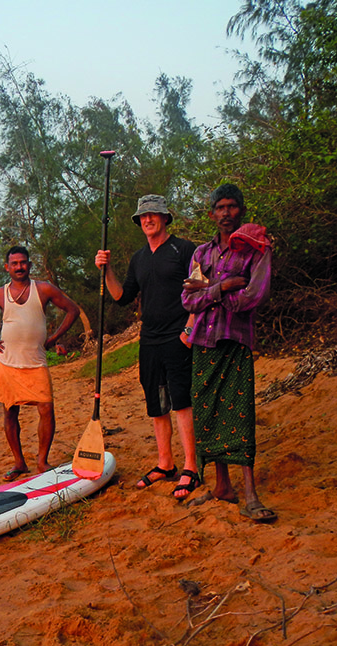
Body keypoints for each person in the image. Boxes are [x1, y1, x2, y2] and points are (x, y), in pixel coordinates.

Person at [181, 183, 276, 522]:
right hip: (204, 343)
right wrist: (220, 286)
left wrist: (210, 291)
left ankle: (250, 493)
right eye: (219, 207)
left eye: (232, 206)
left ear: (242, 210)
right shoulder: (201, 254)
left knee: (239, 415)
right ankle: (223, 486)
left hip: (235, 341)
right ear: (211, 214)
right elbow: (187, 299)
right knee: (207, 415)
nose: (225, 213)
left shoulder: (257, 250)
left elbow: (254, 296)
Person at [94, 194, 198, 496]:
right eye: (143, 216)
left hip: (178, 336)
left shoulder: (184, 249)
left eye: (153, 214)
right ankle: (165, 463)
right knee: (156, 404)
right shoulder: (139, 258)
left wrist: (189, 330)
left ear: (166, 217)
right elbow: (121, 296)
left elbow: (198, 289)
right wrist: (106, 269)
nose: (148, 220)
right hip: (149, 339)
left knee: (181, 401)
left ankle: (190, 465)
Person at [0, 246, 80, 479]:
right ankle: (19, 462)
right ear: (7, 267)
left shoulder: (44, 289)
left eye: (23, 262)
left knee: (46, 409)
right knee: (10, 413)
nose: (19, 267)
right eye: (14, 263)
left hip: (36, 362)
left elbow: (72, 310)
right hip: (7, 363)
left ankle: (42, 462)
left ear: (30, 265)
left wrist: (53, 339)